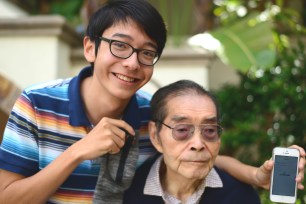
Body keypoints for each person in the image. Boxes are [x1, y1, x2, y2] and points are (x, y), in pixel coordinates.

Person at [0, 0, 304, 203]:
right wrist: (77, 153)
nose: (132, 63)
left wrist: (255, 175)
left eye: (146, 53)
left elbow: (191, 152)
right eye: (120, 46)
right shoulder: (37, 103)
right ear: (90, 48)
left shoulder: (152, 113)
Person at [122, 80, 301, 203]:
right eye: (182, 130)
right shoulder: (125, 192)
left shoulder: (240, 197)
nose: (198, 144)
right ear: (155, 135)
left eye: (209, 130)